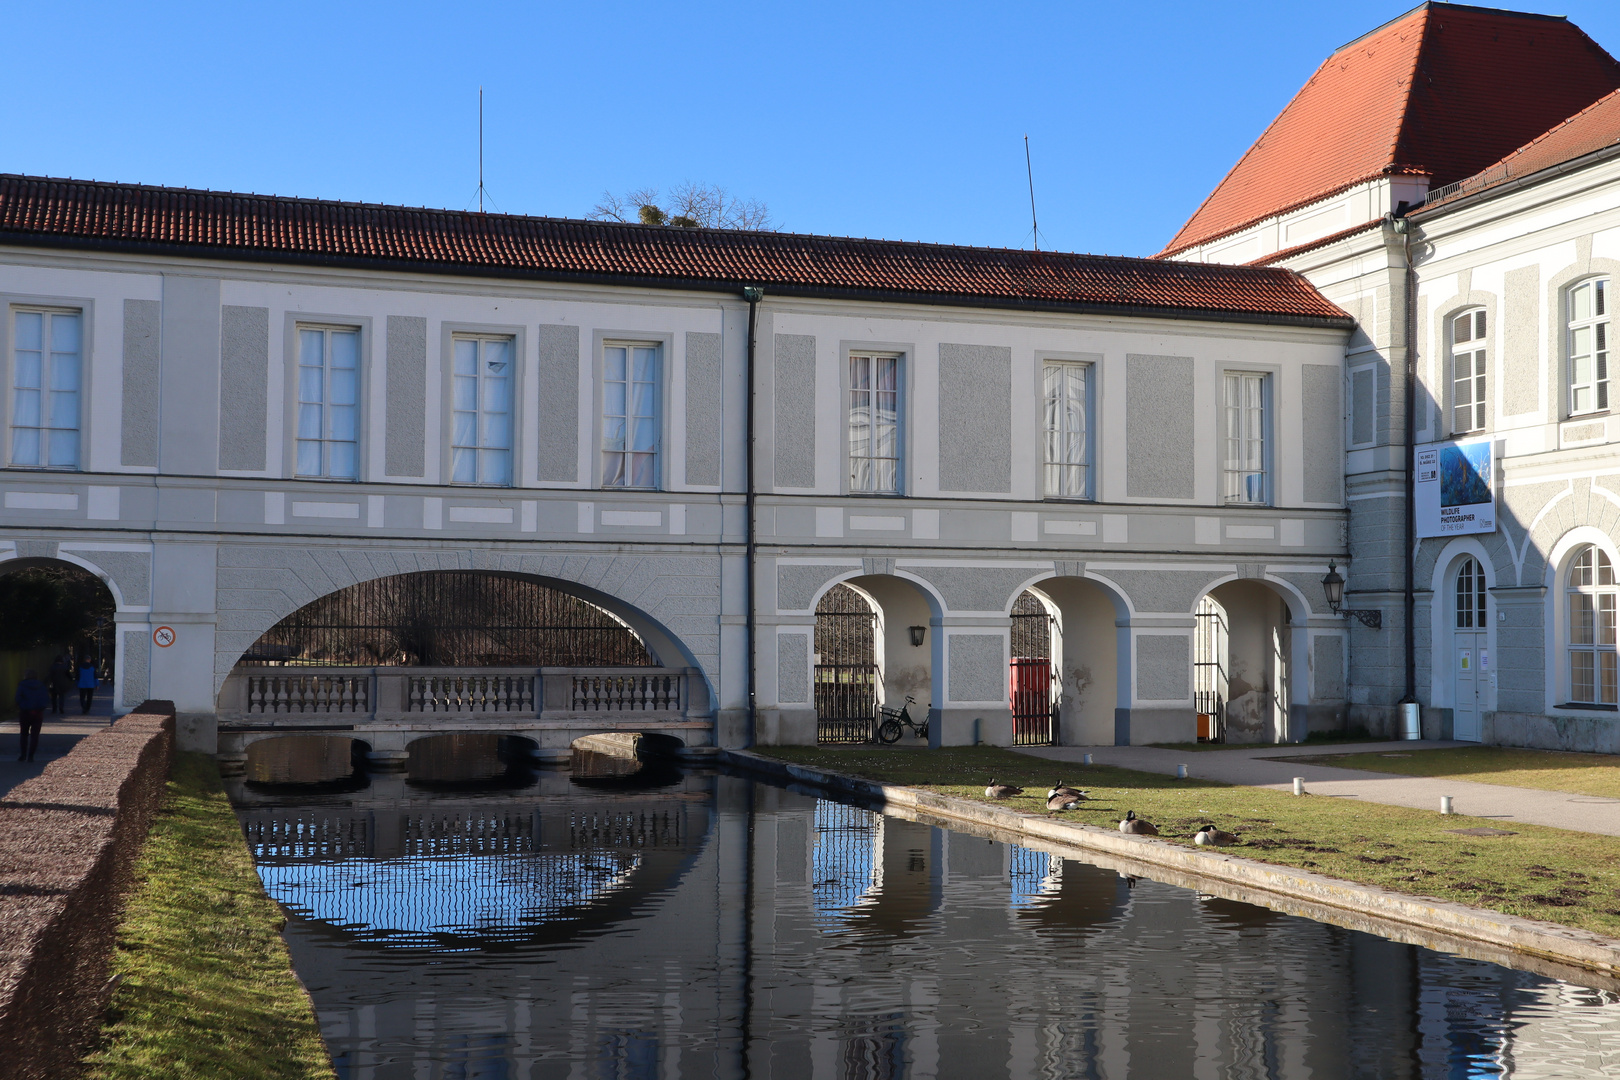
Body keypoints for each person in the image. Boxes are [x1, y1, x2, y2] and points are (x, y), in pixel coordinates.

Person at [14, 669, 48, 762]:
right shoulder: (41, 685)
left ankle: (23, 755)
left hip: (25, 712)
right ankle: (31, 756)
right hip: (38, 712)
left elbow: (18, 697)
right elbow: (45, 698)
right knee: (35, 735)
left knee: (24, 734)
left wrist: (22, 705)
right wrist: (41, 707)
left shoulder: (22, 685)